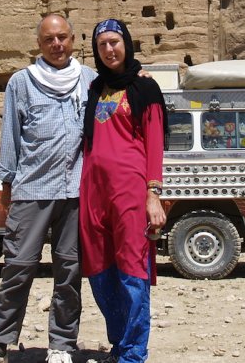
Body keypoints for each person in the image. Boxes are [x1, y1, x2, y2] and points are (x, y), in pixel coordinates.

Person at [0, 14, 97, 363]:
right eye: (49, 40)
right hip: (31, 189)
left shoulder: (90, 81)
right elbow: (10, 136)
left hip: (75, 192)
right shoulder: (21, 82)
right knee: (18, 267)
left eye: (62, 38)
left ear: (73, 40)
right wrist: (7, 182)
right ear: (39, 44)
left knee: (69, 272)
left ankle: (62, 345)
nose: (57, 45)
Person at [80, 18, 167, 363]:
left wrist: (153, 194)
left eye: (114, 42)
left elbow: (156, 143)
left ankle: (133, 354)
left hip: (131, 193)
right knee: (100, 272)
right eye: (102, 45)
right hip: (93, 192)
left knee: (133, 271)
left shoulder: (145, 88)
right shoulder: (94, 88)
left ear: (127, 44)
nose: (109, 50)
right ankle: (118, 342)